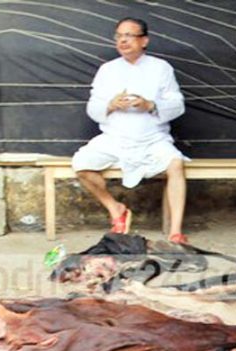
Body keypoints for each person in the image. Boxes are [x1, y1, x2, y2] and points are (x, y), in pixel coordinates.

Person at [72, 17, 188, 243]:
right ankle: (115, 209)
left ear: (144, 40)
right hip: (115, 138)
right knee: (81, 165)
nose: (123, 41)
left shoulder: (161, 68)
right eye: (119, 36)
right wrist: (110, 105)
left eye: (129, 36)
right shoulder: (107, 70)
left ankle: (176, 232)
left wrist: (150, 105)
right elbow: (92, 107)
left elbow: (178, 104)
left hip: (152, 138)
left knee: (175, 164)